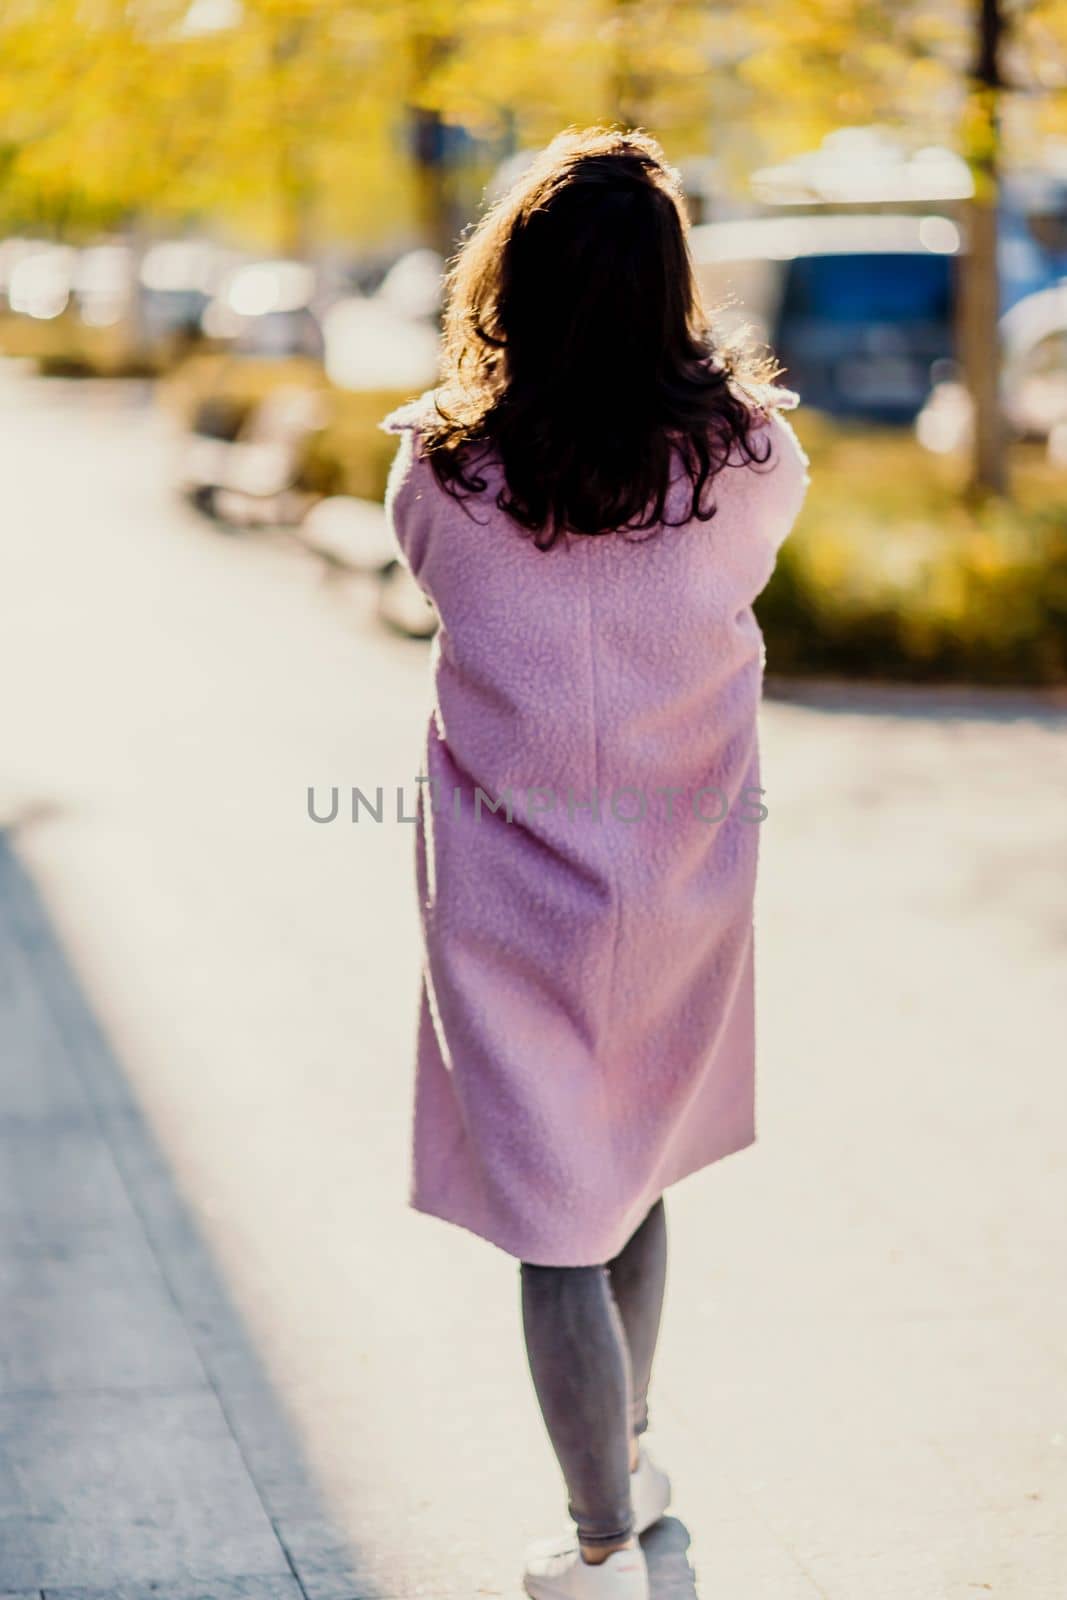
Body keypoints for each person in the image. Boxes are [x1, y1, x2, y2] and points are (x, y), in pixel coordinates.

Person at [380, 126, 810, 1600]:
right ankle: (622, 1451)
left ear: (515, 279)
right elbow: (753, 567)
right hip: (683, 869)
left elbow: (436, 584)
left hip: (510, 888)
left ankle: (598, 1540)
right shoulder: (747, 457)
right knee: (628, 1167)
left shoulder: (443, 469)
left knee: (558, 1209)